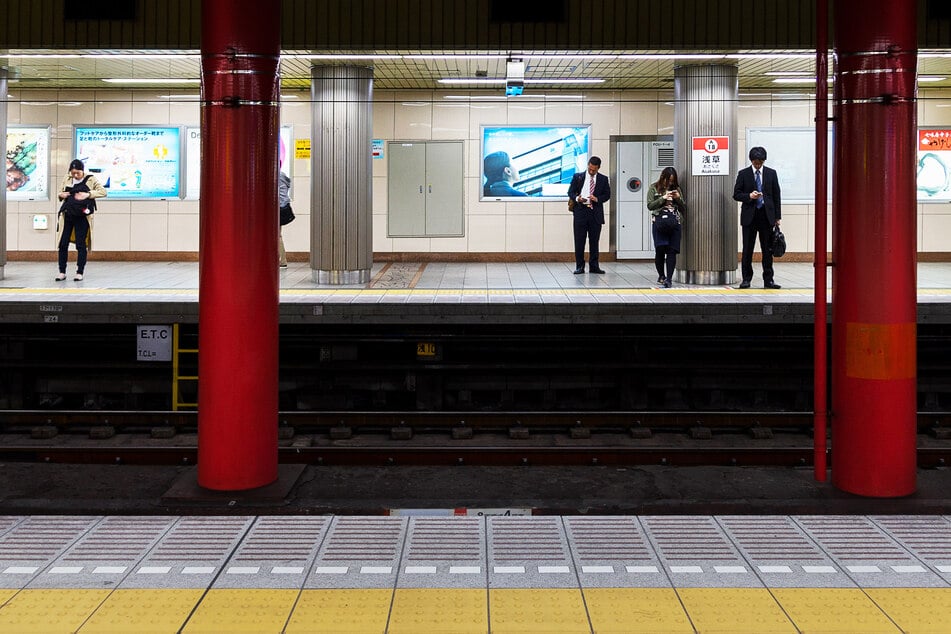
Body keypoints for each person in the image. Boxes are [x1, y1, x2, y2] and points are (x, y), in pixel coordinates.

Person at [733, 146, 781, 289]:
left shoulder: (772, 174)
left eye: (760, 162)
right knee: (748, 249)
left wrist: (777, 217)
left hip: (767, 216)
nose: (758, 165)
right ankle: (746, 279)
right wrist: (749, 196)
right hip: (750, 217)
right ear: (751, 161)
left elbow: (776, 195)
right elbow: (736, 194)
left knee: (767, 250)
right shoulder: (743, 174)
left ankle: (769, 280)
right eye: (756, 162)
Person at [55, 159, 106, 282]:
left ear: (82, 171)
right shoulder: (67, 178)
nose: (75, 175)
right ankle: (62, 271)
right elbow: (61, 192)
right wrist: (61, 195)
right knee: (62, 244)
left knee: (81, 244)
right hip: (67, 215)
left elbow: (103, 192)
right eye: (73, 173)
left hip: (82, 217)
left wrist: (87, 194)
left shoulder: (90, 179)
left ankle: (79, 272)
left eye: (77, 172)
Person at [566, 156, 611, 274]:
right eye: (590, 169)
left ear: (598, 168)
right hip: (581, 211)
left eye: (594, 170)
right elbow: (570, 192)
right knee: (579, 240)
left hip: (595, 213)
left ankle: (594, 265)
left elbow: (607, 195)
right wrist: (577, 198)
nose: (591, 172)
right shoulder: (578, 177)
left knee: (594, 241)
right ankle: (580, 266)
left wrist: (597, 198)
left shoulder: (603, 179)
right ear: (588, 165)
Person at [646, 167, 686, 288]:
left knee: (672, 250)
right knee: (660, 249)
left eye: (672, 181)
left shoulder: (676, 189)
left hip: (674, 222)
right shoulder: (654, 188)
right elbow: (650, 205)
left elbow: (684, 207)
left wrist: (677, 198)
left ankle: (669, 278)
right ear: (663, 177)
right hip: (659, 222)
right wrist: (663, 198)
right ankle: (661, 275)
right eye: (669, 180)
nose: (670, 183)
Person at [278, 169, 293, 267]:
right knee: (278, 235)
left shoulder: (275, 176)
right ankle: (282, 260)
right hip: (284, 208)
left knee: (276, 235)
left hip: (277, 208)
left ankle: (281, 260)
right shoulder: (283, 175)